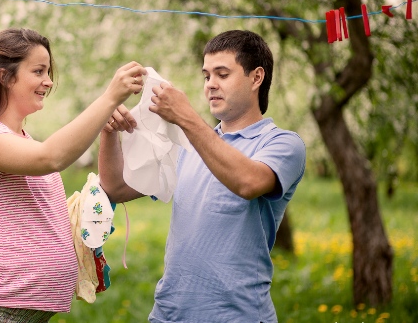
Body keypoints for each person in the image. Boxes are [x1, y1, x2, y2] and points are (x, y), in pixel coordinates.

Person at [0, 28, 147, 323]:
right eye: (38, 71)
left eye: (48, 71)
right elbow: (51, 157)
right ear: (5, 77)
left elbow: (105, 185)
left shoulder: (26, 143)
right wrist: (110, 98)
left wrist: (107, 131)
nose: (48, 81)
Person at [99, 30, 306, 323]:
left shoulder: (283, 143)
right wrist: (108, 132)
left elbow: (248, 183)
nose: (210, 85)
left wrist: (186, 117)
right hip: (168, 314)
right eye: (207, 76)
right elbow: (116, 188)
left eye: (222, 74)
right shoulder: (189, 143)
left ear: (256, 77)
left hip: (238, 317)